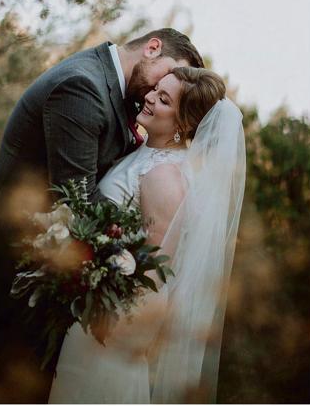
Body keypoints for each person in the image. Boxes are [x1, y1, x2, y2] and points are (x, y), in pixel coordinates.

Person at [0, 29, 204, 403]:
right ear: (152, 48)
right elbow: (77, 201)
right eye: (166, 76)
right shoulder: (83, 86)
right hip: (17, 255)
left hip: (53, 261)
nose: (158, 91)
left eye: (168, 93)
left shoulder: (117, 90)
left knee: (29, 383)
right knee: (9, 381)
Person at [48, 66, 246, 404]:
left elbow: (154, 270)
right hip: (98, 310)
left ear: (183, 124)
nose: (150, 97)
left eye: (164, 99)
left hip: (113, 323)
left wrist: (116, 327)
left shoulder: (164, 176)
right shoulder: (145, 153)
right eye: (156, 89)